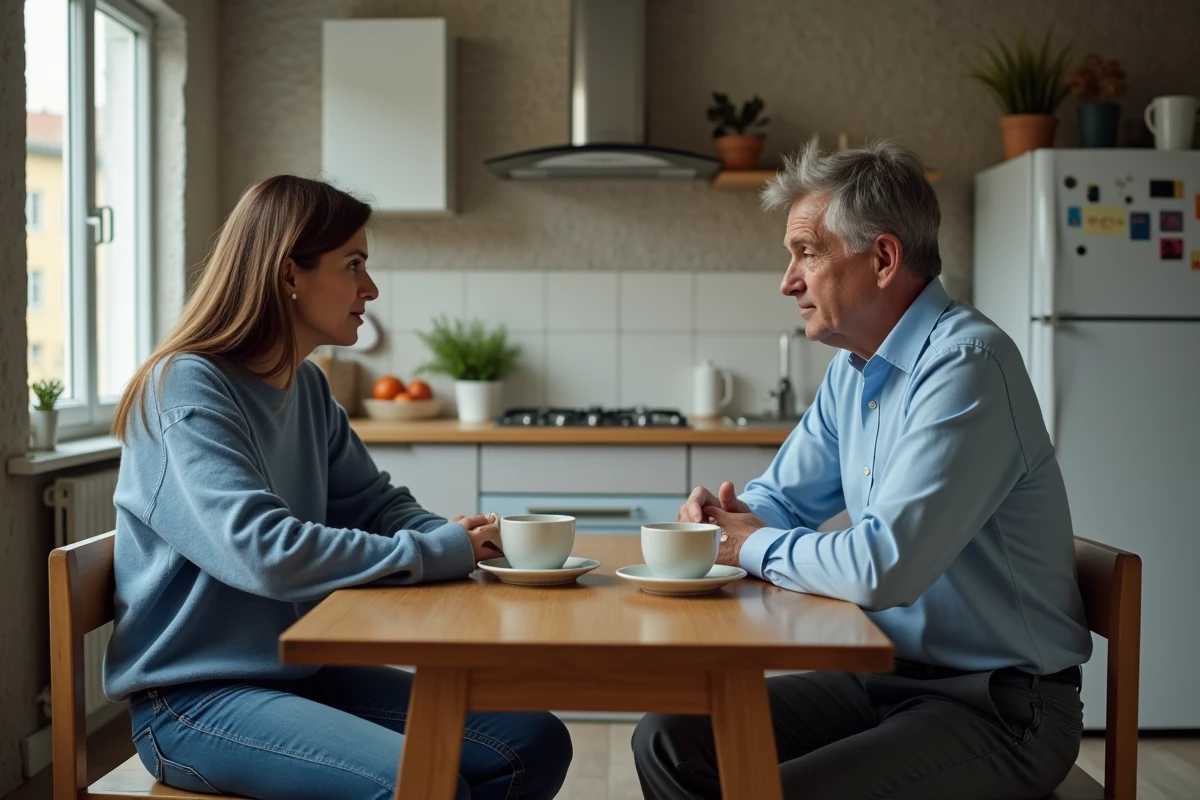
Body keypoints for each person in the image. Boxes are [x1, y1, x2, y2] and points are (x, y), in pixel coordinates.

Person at [632, 140, 1092, 799]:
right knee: (671, 742)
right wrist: (727, 522)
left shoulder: (967, 365)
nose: (788, 281)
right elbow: (780, 499)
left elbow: (883, 568)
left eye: (807, 253)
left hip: (999, 706)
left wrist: (748, 542)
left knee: (775, 790)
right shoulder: (855, 371)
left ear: (882, 259)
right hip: (882, 675)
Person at [105, 175, 572, 800]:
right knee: (422, 784)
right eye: (353, 265)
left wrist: (447, 534)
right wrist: (438, 554)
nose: (370, 289)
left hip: (301, 674)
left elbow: (375, 504)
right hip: (194, 698)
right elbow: (263, 551)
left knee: (533, 741)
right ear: (289, 274)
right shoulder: (186, 387)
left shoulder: (307, 388)